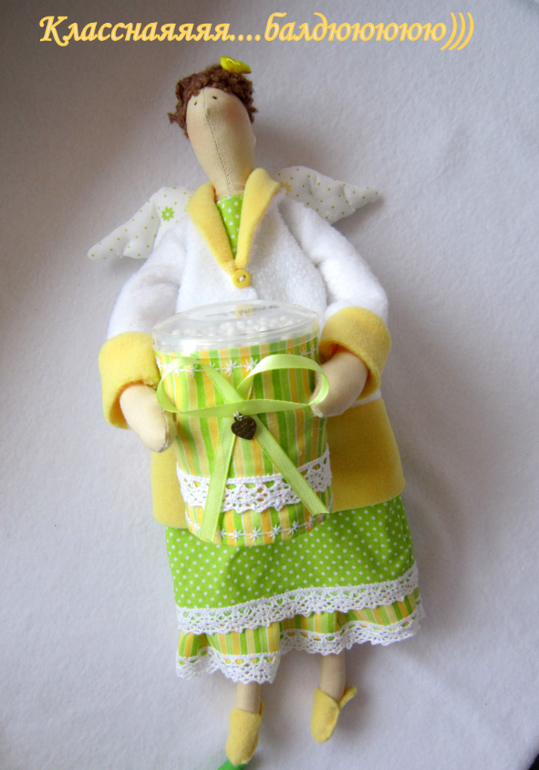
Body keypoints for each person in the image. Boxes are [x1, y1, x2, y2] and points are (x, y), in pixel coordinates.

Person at [98, 59, 422, 769]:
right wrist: (135, 391)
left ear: (248, 122)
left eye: (225, 114)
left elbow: (353, 284)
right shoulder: (178, 228)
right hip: (208, 427)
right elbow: (139, 307)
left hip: (318, 403)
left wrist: (349, 361)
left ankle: (335, 676)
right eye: (199, 120)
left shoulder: (291, 207)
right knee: (233, 559)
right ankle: (249, 701)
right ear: (185, 134)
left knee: (340, 542)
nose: (214, 128)